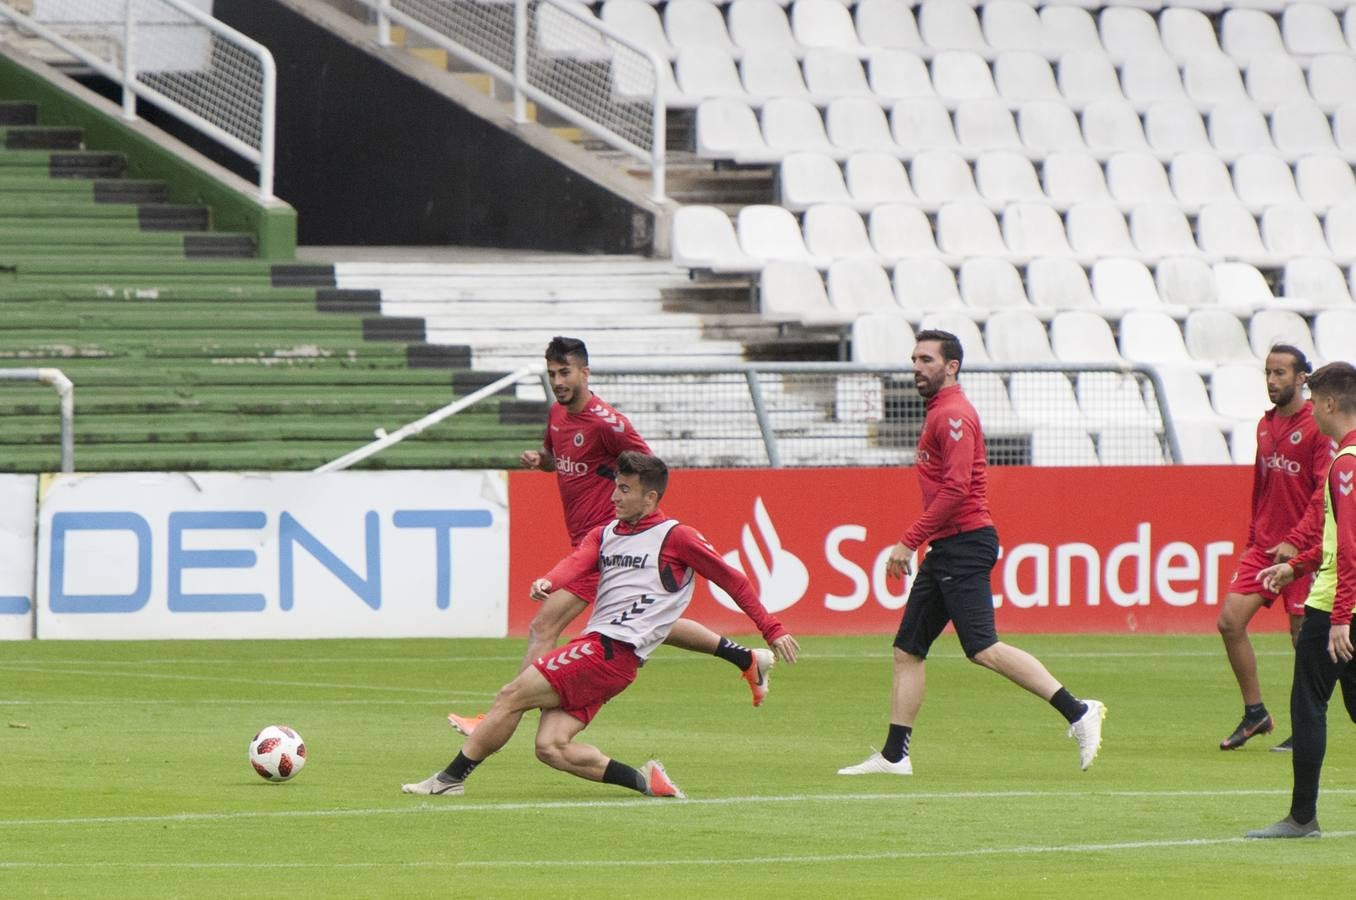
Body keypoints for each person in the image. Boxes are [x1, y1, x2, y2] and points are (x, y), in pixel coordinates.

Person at [402, 451, 800, 798]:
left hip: (609, 650)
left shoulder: (676, 537)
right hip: (609, 660)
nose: (614, 496)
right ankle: (646, 781)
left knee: (511, 696)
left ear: (650, 497)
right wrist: (549, 581)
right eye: (616, 487)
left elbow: (732, 579)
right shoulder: (606, 532)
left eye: (625, 489)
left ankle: (450, 779)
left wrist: (772, 628)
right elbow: (577, 562)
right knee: (550, 748)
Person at [447, 336, 781, 737]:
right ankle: (746, 659)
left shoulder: (609, 424)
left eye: (565, 372)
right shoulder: (556, 415)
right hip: (591, 542)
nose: (558, 380)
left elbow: (648, 468)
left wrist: (634, 522)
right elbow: (560, 457)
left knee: (543, 627)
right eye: (552, 373)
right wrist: (542, 462)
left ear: (585, 372)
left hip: (610, 542)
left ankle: (495, 718)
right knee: (650, 623)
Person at [837, 329, 1105, 777]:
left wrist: (909, 539)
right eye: (914, 359)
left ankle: (1079, 711)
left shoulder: (953, 414)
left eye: (926, 359)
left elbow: (958, 489)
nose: (916, 367)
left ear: (951, 366)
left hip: (963, 542)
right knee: (908, 650)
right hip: (950, 545)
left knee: (983, 648)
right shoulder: (940, 411)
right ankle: (894, 755)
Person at [1245, 361, 1356, 839]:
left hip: (1336, 606)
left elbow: (1349, 546)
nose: (1309, 409)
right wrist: (1295, 565)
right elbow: (1336, 539)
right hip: (1344, 600)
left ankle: (1302, 817)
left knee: (1308, 703)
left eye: (1314, 401)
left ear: (1330, 404)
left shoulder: (1345, 464)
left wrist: (1339, 615)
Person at [1217, 346, 1331, 752]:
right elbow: (1261, 488)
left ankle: (1307, 723)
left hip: (1302, 550)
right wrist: (1255, 536)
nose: (1271, 381)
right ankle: (1256, 713)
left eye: (1280, 373)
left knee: (1303, 636)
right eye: (1268, 373)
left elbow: (1322, 493)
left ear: (1302, 378)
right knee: (1230, 622)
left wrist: (1298, 540)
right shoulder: (1264, 427)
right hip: (1265, 546)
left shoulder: (1317, 426)